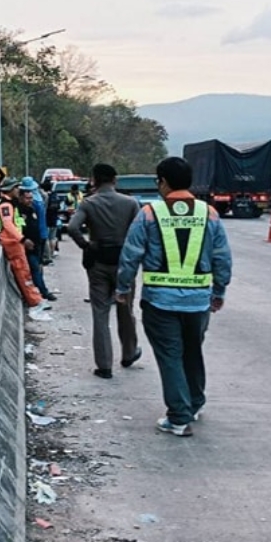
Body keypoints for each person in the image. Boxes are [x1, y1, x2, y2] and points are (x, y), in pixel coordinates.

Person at [115, 157, 232, 437]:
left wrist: (122, 288)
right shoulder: (210, 214)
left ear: (163, 182)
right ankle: (193, 403)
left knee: (170, 356)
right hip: (198, 301)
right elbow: (222, 258)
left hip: (160, 301)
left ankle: (179, 417)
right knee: (193, 351)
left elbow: (131, 255)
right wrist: (219, 291)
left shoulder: (149, 214)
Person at [67, 164, 141, 379]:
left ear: (94, 180)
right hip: (124, 264)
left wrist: (86, 246)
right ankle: (129, 353)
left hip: (98, 263)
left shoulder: (89, 204)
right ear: (115, 180)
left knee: (100, 314)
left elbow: (72, 228)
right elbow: (139, 233)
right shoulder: (130, 204)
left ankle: (104, 366)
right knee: (125, 309)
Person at [0, 178, 50, 320]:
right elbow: (8, 225)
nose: (18, 190)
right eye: (16, 188)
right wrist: (22, 239)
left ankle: (35, 298)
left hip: (14, 241)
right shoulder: (5, 205)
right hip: (12, 242)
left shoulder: (9, 204)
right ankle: (34, 301)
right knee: (23, 272)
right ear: (10, 189)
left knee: (25, 271)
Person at [18, 177, 56, 301]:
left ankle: (40, 290)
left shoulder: (36, 204)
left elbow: (40, 222)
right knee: (34, 267)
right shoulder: (20, 208)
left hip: (39, 239)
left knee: (37, 266)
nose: (31, 198)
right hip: (29, 242)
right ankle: (42, 292)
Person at [43, 179, 61, 264]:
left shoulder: (45, 196)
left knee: (47, 238)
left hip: (46, 220)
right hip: (54, 219)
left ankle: (48, 254)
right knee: (53, 238)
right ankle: (53, 253)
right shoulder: (55, 195)